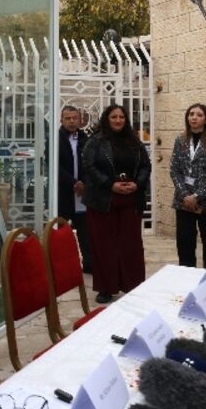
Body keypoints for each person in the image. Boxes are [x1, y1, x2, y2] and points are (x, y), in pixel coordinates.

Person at [81, 104, 149, 304]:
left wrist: (137, 184)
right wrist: (110, 185)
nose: (118, 120)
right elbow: (89, 166)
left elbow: (146, 166)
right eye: (114, 117)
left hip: (130, 198)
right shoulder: (95, 142)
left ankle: (133, 285)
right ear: (106, 119)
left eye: (121, 117)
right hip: (103, 200)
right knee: (105, 246)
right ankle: (106, 288)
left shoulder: (135, 142)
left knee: (131, 245)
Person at [167, 103, 206, 268]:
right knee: (185, 245)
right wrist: (185, 195)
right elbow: (174, 169)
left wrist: (197, 196)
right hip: (183, 202)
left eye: (199, 115)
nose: (194, 117)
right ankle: (187, 280)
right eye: (191, 114)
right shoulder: (180, 140)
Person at [57, 105, 93, 273]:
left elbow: (91, 164)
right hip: (64, 193)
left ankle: (89, 264)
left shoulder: (86, 139)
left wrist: (84, 183)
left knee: (86, 232)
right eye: (68, 118)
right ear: (61, 120)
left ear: (79, 120)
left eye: (74, 118)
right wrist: (73, 183)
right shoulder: (55, 139)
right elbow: (55, 166)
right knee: (62, 233)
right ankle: (63, 267)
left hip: (83, 194)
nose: (72, 121)